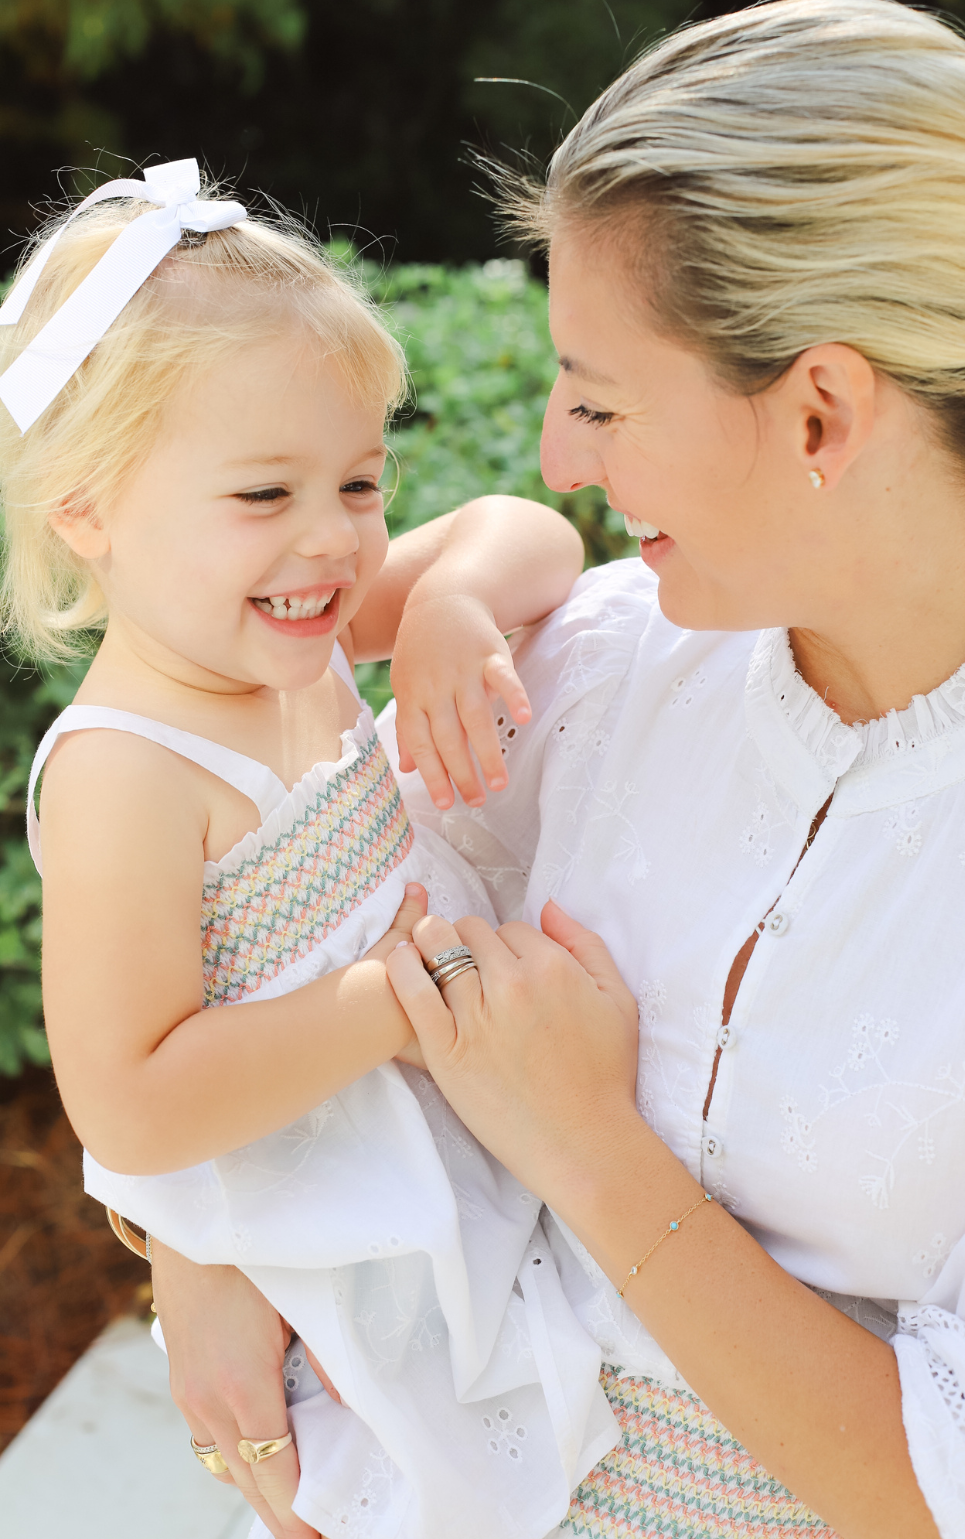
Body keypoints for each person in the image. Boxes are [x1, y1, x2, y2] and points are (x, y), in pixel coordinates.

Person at [140, 0, 965, 1539]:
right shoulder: (583, 669)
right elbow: (245, 959)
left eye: (603, 398)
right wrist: (195, 1251)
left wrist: (579, 1139)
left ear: (822, 412)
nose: (557, 457)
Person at [0, 161, 623, 1539]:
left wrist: (453, 599)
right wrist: (387, 1006)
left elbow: (530, 541)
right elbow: (136, 1102)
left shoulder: (294, 639)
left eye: (358, 480)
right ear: (87, 510)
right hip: (331, 1254)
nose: (333, 540)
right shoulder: (127, 774)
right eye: (263, 494)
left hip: (460, 1172)